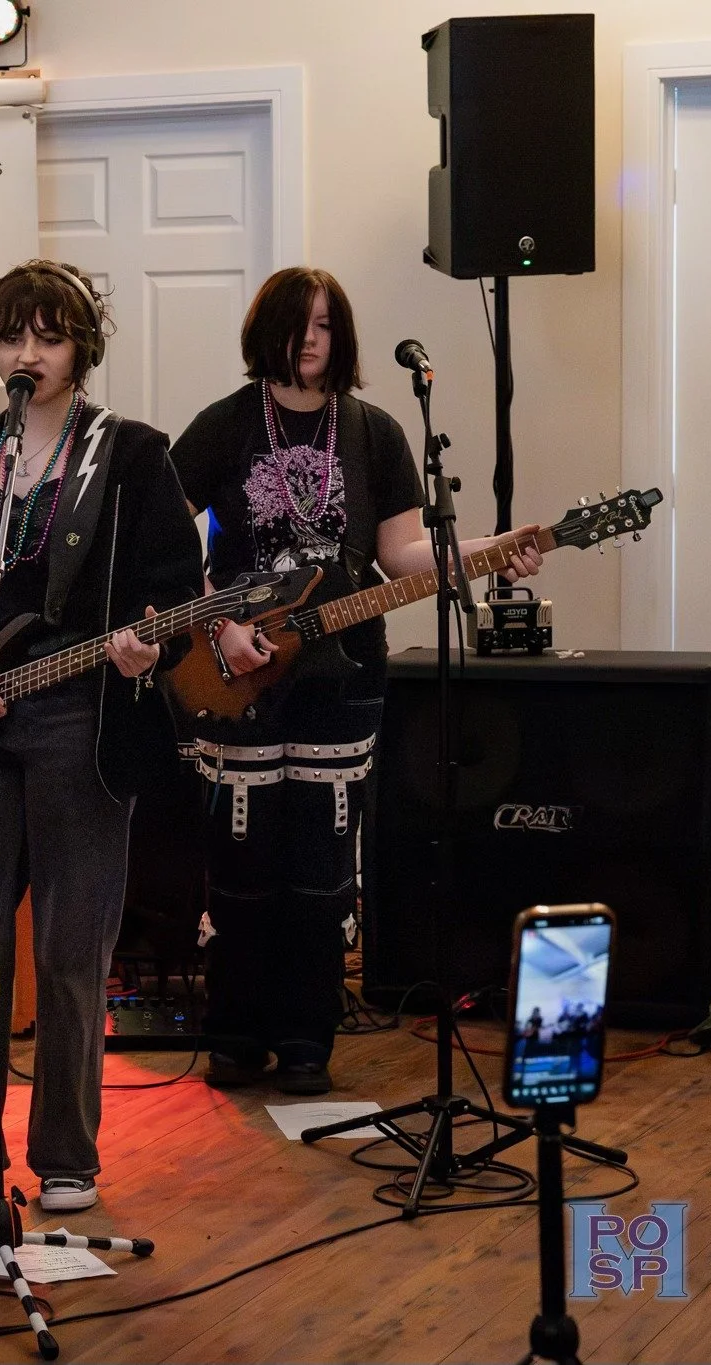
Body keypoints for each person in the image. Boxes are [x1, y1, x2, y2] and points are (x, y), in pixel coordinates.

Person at [167, 266, 540, 1095]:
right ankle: (234, 1032)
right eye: (299, 324)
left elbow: (403, 555)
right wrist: (216, 624)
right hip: (238, 673)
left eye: (328, 325)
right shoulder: (224, 428)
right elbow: (161, 540)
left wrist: (488, 548)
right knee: (241, 859)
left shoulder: (374, 432)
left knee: (322, 865)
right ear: (268, 330)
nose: (312, 339)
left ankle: (307, 1038)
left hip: (344, 676)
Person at [0, 260, 201, 1216]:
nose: (29, 354)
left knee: (68, 950)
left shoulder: (134, 454)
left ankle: (67, 1156)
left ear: (81, 349)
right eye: (15, 336)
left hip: (83, 719)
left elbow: (177, 585)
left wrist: (154, 643)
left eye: (49, 337)